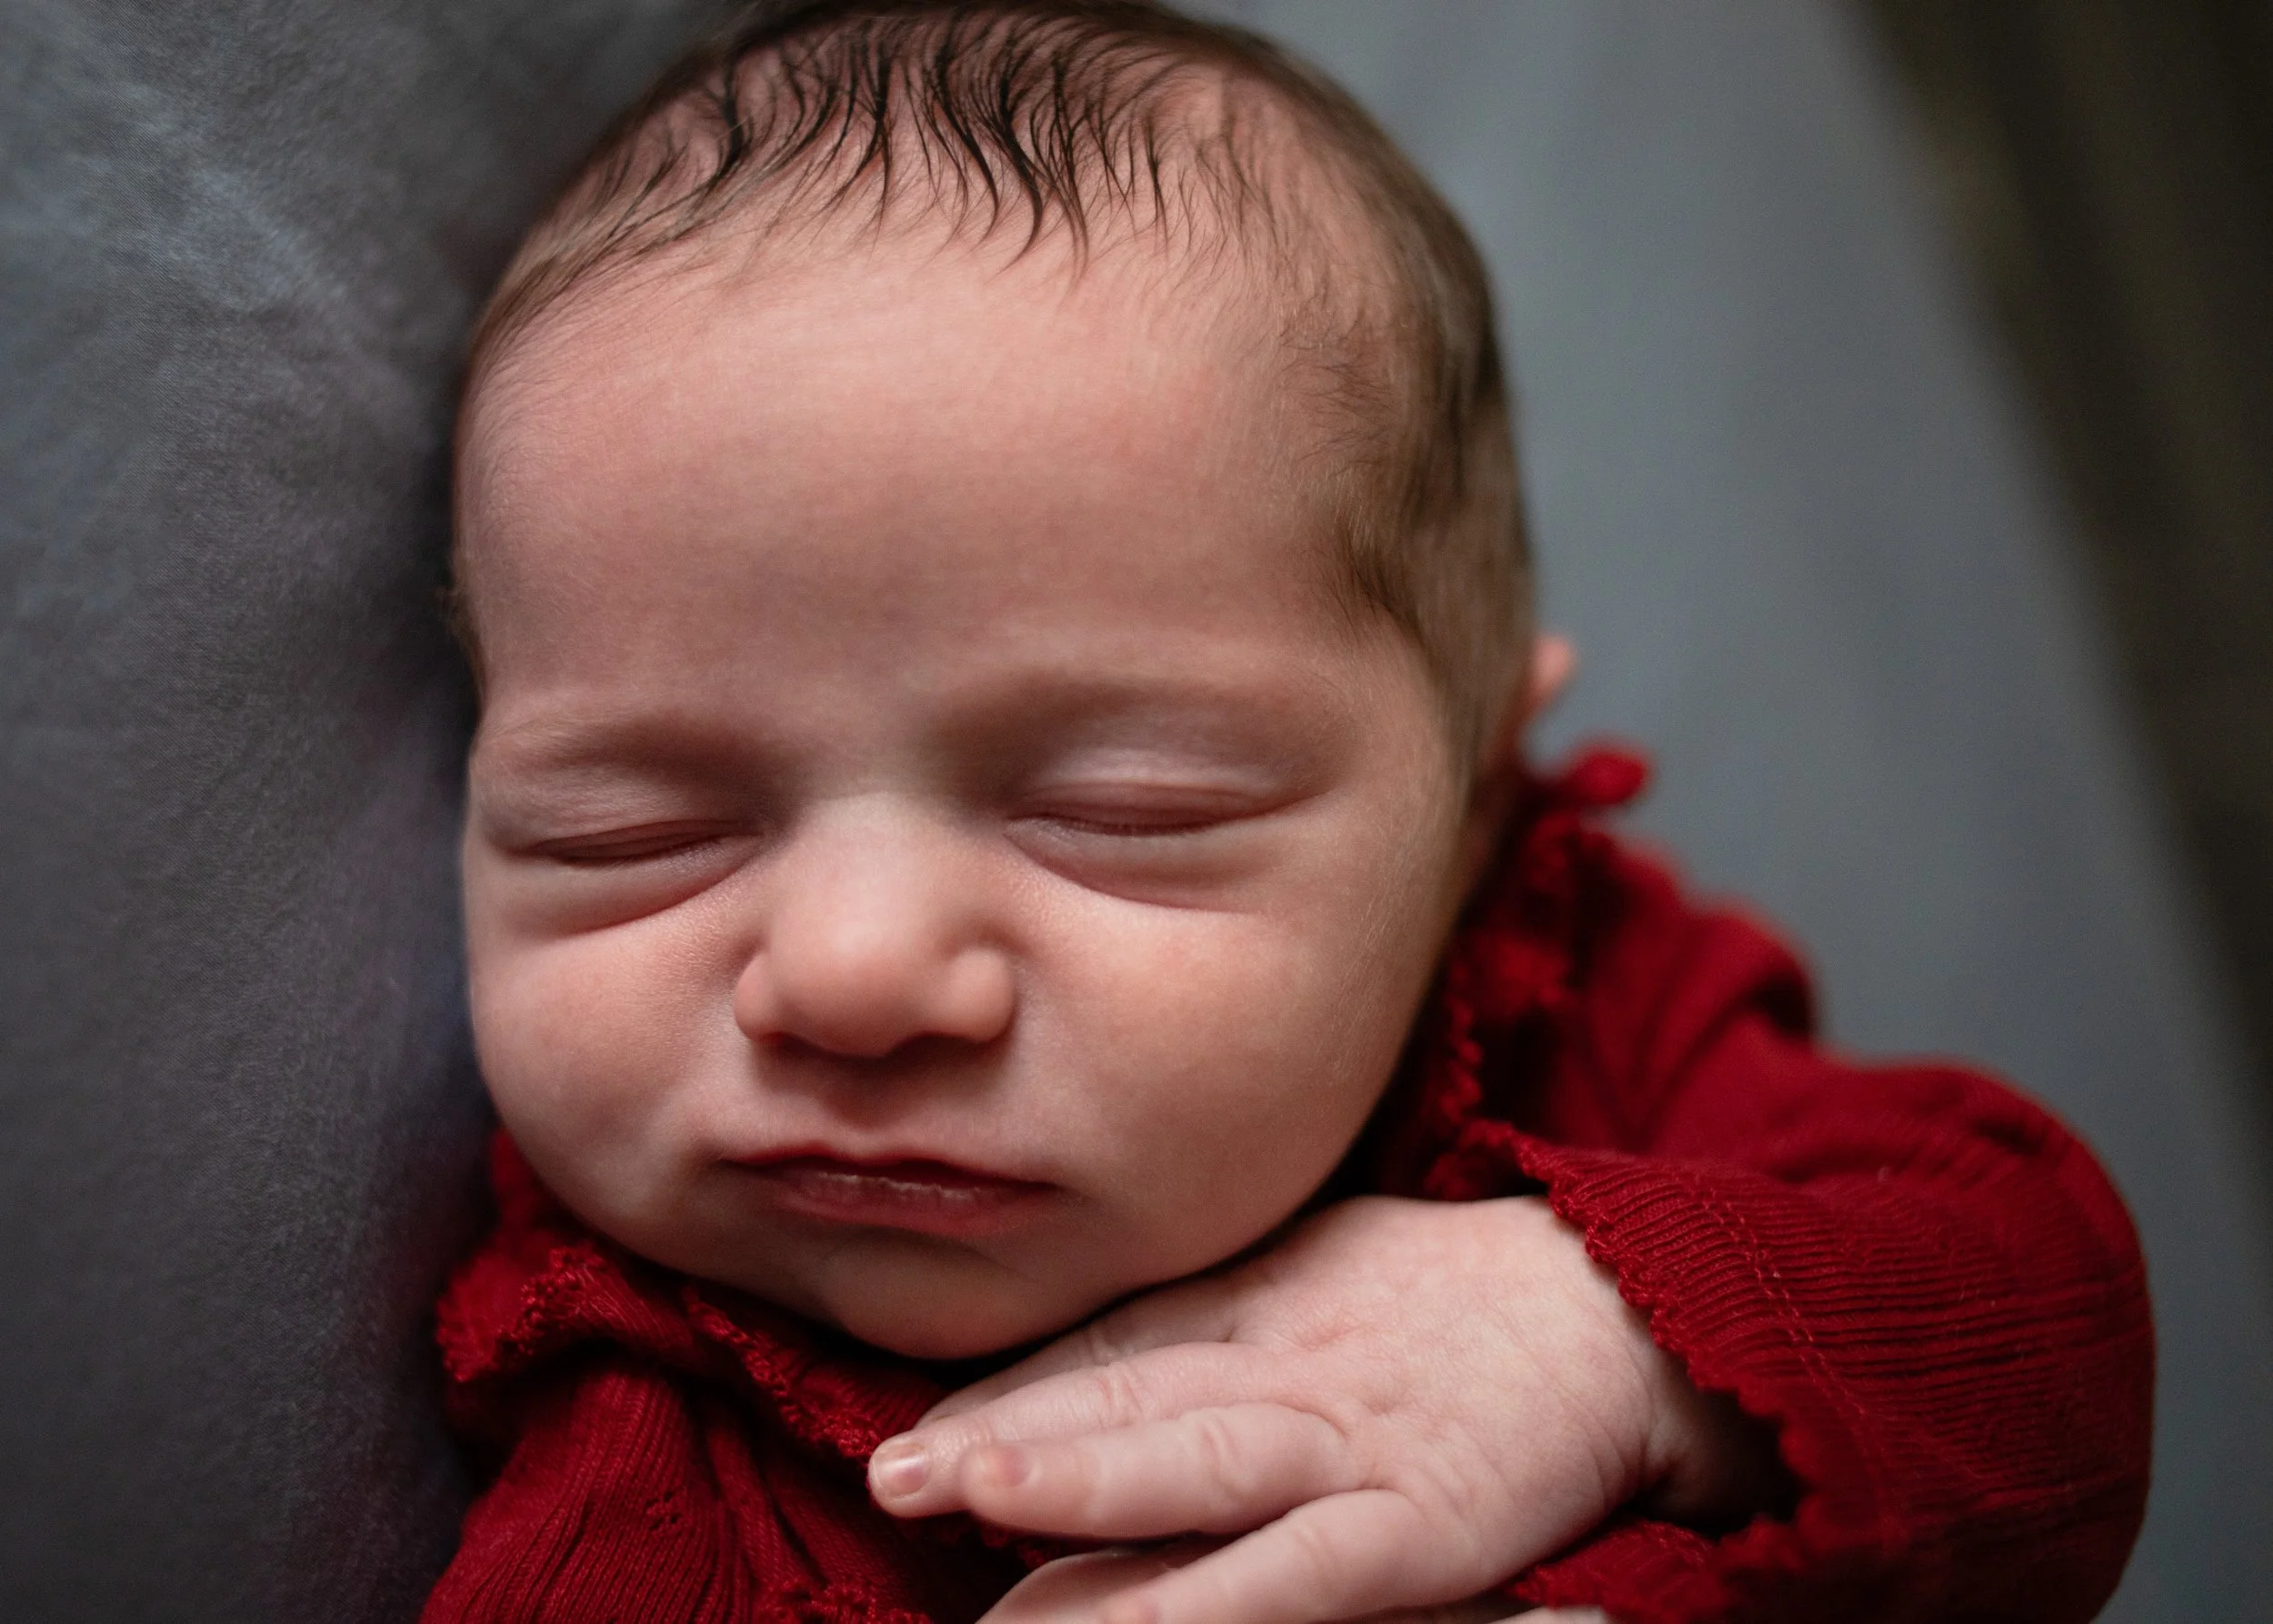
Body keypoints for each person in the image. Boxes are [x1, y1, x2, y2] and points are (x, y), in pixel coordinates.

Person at [422, 3, 2153, 1620]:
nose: (853, 971)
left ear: (1475, 805)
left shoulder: (1583, 1022)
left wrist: (1612, 1349)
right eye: (630, 835)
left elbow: (2058, 1325)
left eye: (1128, 810)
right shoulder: (651, 1460)